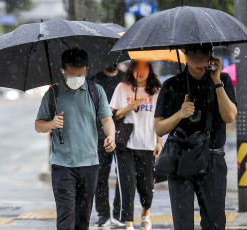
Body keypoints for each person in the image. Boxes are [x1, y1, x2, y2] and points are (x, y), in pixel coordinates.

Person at [154, 44, 237, 230]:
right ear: (184, 54)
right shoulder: (172, 85)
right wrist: (180, 114)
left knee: (215, 223)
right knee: (183, 224)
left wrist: (217, 82)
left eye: (204, 54)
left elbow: (230, 116)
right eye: (193, 54)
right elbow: (159, 128)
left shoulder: (222, 79)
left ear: (211, 55)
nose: (199, 59)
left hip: (213, 160)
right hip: (180, 159)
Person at [35, 48, 116, 230]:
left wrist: (111, 136)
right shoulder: (53, 94)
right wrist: (51, 124)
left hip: (89, 164)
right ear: (63, 70)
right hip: (62, 165)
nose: (76, 78)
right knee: (66, 220)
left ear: (87, 69)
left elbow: (107, 119)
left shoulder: (96, 91)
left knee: (82, 220)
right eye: (72, 74)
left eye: (80, 74)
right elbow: (38, 125)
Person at [110, 60, 163, 230]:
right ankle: (129, 224)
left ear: (149, 70)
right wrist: (128, 108)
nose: (140, 72)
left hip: (147, 144)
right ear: (131, 70)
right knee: (127, 184)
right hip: (125, 145)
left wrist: (159, 142)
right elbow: (112, 116)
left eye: (144, 68)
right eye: (137, 69)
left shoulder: (156, 92)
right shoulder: (122, 88)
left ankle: (146, 213)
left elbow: (159, 120)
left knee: (147, 187)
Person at [88, 64, 124, 227]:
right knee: (100, 176)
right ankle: (103, 214)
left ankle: (120, 213)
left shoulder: (125, 78)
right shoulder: (93, 80)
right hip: (99, 134)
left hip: (124, 133)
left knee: (123, 175)